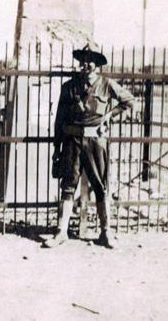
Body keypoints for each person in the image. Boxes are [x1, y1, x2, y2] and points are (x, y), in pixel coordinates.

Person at [44, 43, 135, 249]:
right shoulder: (69, 87)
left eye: (90, 60)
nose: (85, 64)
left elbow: (129, 101)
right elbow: (59, 120)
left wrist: (109, 116)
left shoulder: (106, 84)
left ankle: (105, 232)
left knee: (101, 187)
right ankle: (61, 232)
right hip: (72, 142)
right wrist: (57, 147)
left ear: (97, 64)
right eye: (82, 60)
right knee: (68, 186)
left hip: (96, 142)